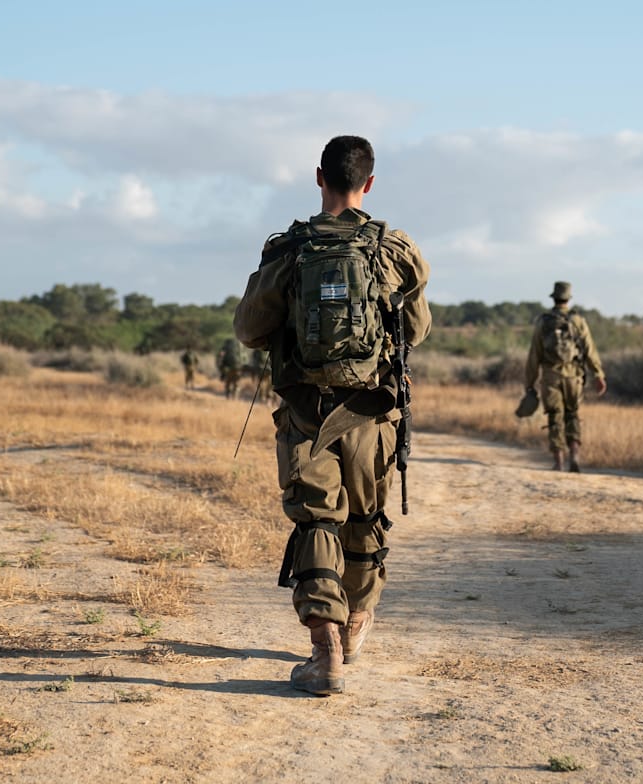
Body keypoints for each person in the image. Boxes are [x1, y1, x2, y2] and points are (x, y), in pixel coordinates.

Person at [234, 135, 431, 696]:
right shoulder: (395, 249)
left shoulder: (288, 250)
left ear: (318, 176)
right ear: (369, 183)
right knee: (366, 518)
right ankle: (356, 623)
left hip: (305, 413)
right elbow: (415, 331)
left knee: (317, 522)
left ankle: (324, 657)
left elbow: (249, 330)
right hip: (372, 414)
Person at [525, 281, 606, 472]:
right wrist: (598, 374)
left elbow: (534, 355)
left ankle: (559, 461)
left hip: (551, 377)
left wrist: (530, 383)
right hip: (574, 378)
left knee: (555, 417)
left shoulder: (543, 322)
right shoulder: (578, 321)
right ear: (568, 299)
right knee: (573, 415)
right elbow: (589, 350)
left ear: (553, 298)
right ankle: (575, 456)